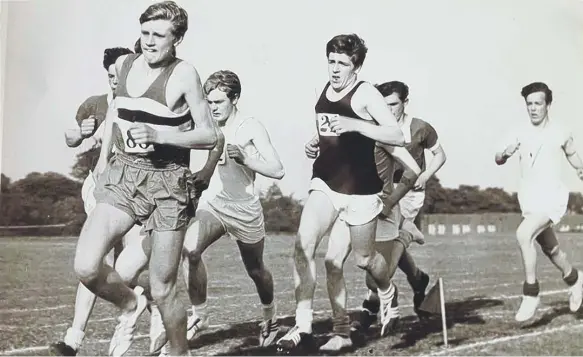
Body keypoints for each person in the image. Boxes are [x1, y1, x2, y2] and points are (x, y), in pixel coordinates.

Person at [73, 1, 218, 356]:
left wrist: (160, 136)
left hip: (169, 183)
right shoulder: (124, 65)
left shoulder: (184, 75)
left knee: (163, 287)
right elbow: (116, 115)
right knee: (86, 266)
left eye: (159, 35)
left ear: (177, 38)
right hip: (125, 177)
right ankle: (130, 304)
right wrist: (103, 153)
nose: (149, 42)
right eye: (145, 33)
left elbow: (209, 135)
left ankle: (179, 353)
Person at [276, 33, 414, 354]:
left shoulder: (365, 93)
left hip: (361, 190)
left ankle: (387, 291)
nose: (335, 69)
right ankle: (307, 327)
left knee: (360, 260)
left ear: (357, 66)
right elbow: (329, 126)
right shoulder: (323, 89)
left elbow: (396, 134)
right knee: (304, 244)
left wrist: (354, 123)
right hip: (326, 181)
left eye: (343, 63)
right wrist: (315, 140)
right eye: (331, 61)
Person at [50, 46, 150, 357]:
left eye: (119, 75)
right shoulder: (96, 104)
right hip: (102, 188)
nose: (114, 81)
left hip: (137, 189)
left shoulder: (144, 104)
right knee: (98, 261)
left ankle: (146, 305)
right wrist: (78, 134)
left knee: (129, 266)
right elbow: (71, 137)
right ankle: (74, 338)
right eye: (110, 75)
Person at [357, 81, 447, 329]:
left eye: (393, 104)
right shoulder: (377, 127)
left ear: (405, 103)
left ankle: (372, 301)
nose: (388, 110)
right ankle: (418, 279)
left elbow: (441, 155)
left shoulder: (420, 128)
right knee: (386, 244)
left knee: (386, 253)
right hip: (382, 193)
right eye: (383, 105)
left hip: (407, 194)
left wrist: (425, 176)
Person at [496, 81, 583, 322]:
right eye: (529, 104)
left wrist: (580, 169)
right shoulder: (518, 132)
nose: (533, 108)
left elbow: (574, 155)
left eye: (538, 103)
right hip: (530, 201)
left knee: (524, 235)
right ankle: (576, 280)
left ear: (548, 105)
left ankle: (531, 293)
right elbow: (497, 157)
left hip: (552, 198)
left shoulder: (561, 132)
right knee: (551, 249)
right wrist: (504, 153)